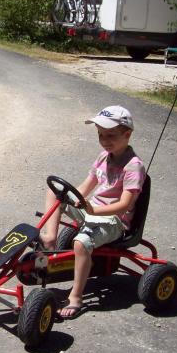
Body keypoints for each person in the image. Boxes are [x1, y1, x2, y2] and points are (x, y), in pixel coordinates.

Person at [41, 106, 146, 319]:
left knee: (80, 244)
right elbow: (85, 186)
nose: (104, 140)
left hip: (114, 221)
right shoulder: (103, 157)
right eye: (100, 135)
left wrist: (94, 210)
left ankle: (75, 297)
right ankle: (51, 238)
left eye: (110, 135)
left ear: (127, 134)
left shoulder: (133, 167)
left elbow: (124, 204)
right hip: (92, 211)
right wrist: (71, 198)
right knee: (54, 192)